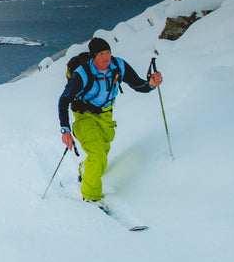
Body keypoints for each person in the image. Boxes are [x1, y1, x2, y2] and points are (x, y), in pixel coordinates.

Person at [58, 37, 162, 203]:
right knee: (97, 154)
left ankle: (84, 171)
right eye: (102, 53)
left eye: (108, 52)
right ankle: (91, 197)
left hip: (106, 115)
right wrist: (66, 130)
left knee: (102, 155)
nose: (107, 57)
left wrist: (151, 84)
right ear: (94, 56)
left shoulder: (118, 66)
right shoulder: (82, 74)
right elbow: (64, 100)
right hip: (84, 116)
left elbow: (138, 85)